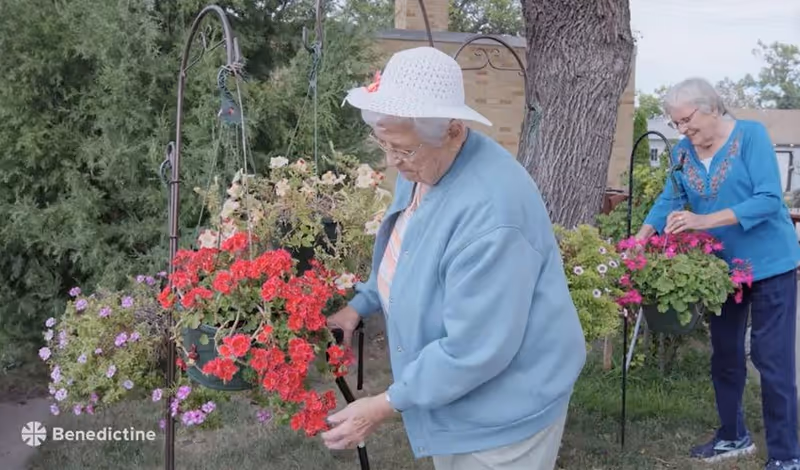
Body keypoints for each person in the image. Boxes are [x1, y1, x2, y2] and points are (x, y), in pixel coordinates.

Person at [320, 46, 587, 469]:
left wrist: (386, 403)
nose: (393, 162)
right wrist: (361, 303)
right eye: (385, 144)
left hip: (504, 411)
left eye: (403, 151)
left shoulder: (491, 215)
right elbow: (407, 251)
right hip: (457, 396)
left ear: (454, 130)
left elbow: (473, 349)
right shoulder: (427, 164)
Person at [636, 77, 800, 470]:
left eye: (687, 121)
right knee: (725, 354)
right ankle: (733, 435)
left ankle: (786, 453)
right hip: (722, 272)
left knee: (771, 358)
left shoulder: (750, 137)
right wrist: (642, 237)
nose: (683, 130)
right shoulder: (684, 153)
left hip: (771, 265)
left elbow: (767, 199)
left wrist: (702, 221)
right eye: (676, 124)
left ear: (711, 108)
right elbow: (671, 197)